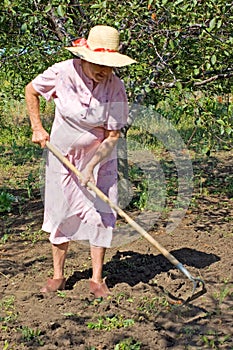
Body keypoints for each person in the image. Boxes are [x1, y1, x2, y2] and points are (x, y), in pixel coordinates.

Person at [25, 25, 136, 298]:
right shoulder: (62, 72)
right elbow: (32, 90)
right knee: (60, 213)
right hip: (62, 157)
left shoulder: (115, 87)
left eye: (109, 65)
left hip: (100, 159)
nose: (104, 70)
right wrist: (37, 128)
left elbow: (112, 135)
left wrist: (91, 166)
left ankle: (97, 279)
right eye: (99, 64)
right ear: (84, 57)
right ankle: (58, 276)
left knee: (100, 215)